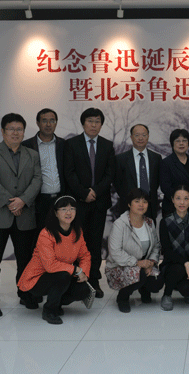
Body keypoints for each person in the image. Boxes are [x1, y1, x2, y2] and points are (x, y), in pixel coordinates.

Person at [0, 113, 41, 317]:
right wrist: (10, 202)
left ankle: (25, 293)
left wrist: (23, 200)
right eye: (11, 129)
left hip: (25, 215)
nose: (15, 133)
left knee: (25, 260)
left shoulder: (32, 154)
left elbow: (37, 180)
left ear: (24, 132)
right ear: (3, 131)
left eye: (19, 129)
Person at [64, 107, 116, 299]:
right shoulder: (71, 144)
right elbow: (69, 172)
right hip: (78, 203)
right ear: (83, 123)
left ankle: (93, 280)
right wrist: (84, 193)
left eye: (97, 121)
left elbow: (110, 174)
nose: (94, 125)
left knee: (94, 244)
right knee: (76, 243)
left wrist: (95, 191)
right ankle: (77, 280)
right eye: (90, 121)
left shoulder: (107, 145)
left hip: (99, 203)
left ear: (101, 124)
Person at [17, 195, 93, 324]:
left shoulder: (77, 232)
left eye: (72, 209)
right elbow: (50, 265)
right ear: (56, 213)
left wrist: (84, 272)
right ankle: (49, 310)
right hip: (38, 279)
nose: (68, 213)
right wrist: (76, 270)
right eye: (64, 209)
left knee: (83, 289)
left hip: (61, 275)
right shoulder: (46, 234)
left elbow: (85, 256)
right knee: (63, 276)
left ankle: (57, 303)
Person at [106, 188, 164, 313]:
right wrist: (137, 263)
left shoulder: (149, 222)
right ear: (129, 204)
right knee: (139, 274)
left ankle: (144, 289)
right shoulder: (120, 224)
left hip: (143, 265)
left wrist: (151, 262)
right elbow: (115, 252)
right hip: (120, 266)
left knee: (157, 281)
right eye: (137, 201)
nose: (141, 205)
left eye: (144, 202)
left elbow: (156, 246)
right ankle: (123, 297)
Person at [22, 108, 65, 235]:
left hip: (60, 200)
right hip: (37, 202)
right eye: (44, 121)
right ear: (37, 123)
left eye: (52, 121)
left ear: (56, 123)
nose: (48, 124)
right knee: (38, 238)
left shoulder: (64, 144)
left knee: (60, 238)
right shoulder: (26, 146)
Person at [159, 185, 189, 310]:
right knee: (178, 269)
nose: (182, 202)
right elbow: (166, 251)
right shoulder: (165, 222)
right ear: (172, 199)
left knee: (187, 290)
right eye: (178, 198)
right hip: (171, 266)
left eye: (186, 199)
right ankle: (167, 294)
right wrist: (186, 263)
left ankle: (185, 289)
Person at [114, 124, 162, 219]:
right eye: (137, 135)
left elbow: (156, 182)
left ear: (148, 137)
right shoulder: (120, 159)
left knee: (149, 228)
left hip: (150, 206)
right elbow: (117, 184)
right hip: (128, 206)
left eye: (144, 135)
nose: (140, 138)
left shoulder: (156, 158)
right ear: (131, 137)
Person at [160, 129, 189, 217]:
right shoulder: (166, 163)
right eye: (177, 141)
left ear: (188, 143)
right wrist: (181, 201)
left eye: (184, 141)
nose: (181, 144)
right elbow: (165, 187)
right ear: (172, 144)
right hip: (172, 208)